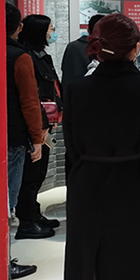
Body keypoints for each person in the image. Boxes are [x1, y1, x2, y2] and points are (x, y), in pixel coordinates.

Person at [63, 14, 140, 280]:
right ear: (135, 48)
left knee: (87, 258)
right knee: (137, 259)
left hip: (86, 183)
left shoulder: (76, 90)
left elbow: (72, 145)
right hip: (136, 184)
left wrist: (87, 167)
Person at [5, 3, 43, 278]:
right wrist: (37, 137)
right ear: (18, 27)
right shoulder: (19, 56)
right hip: (13, 139)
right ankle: (4, 263)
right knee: (7, 203)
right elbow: (30, 102)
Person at [16, 14, 62, 239]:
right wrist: (40, 126)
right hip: (35, 126)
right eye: (50, 29)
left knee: (40, 172)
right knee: (31, 175)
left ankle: (34, 213)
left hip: (47, 124)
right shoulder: (26, 58)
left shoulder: (42, 57)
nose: (52, 33)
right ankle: (27, 220)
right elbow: (31, 98)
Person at [61, 14, 104, 85]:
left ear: (88, 29)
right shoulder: (106, 49)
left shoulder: (73, 46)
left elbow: (67, 74)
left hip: (73, 88)